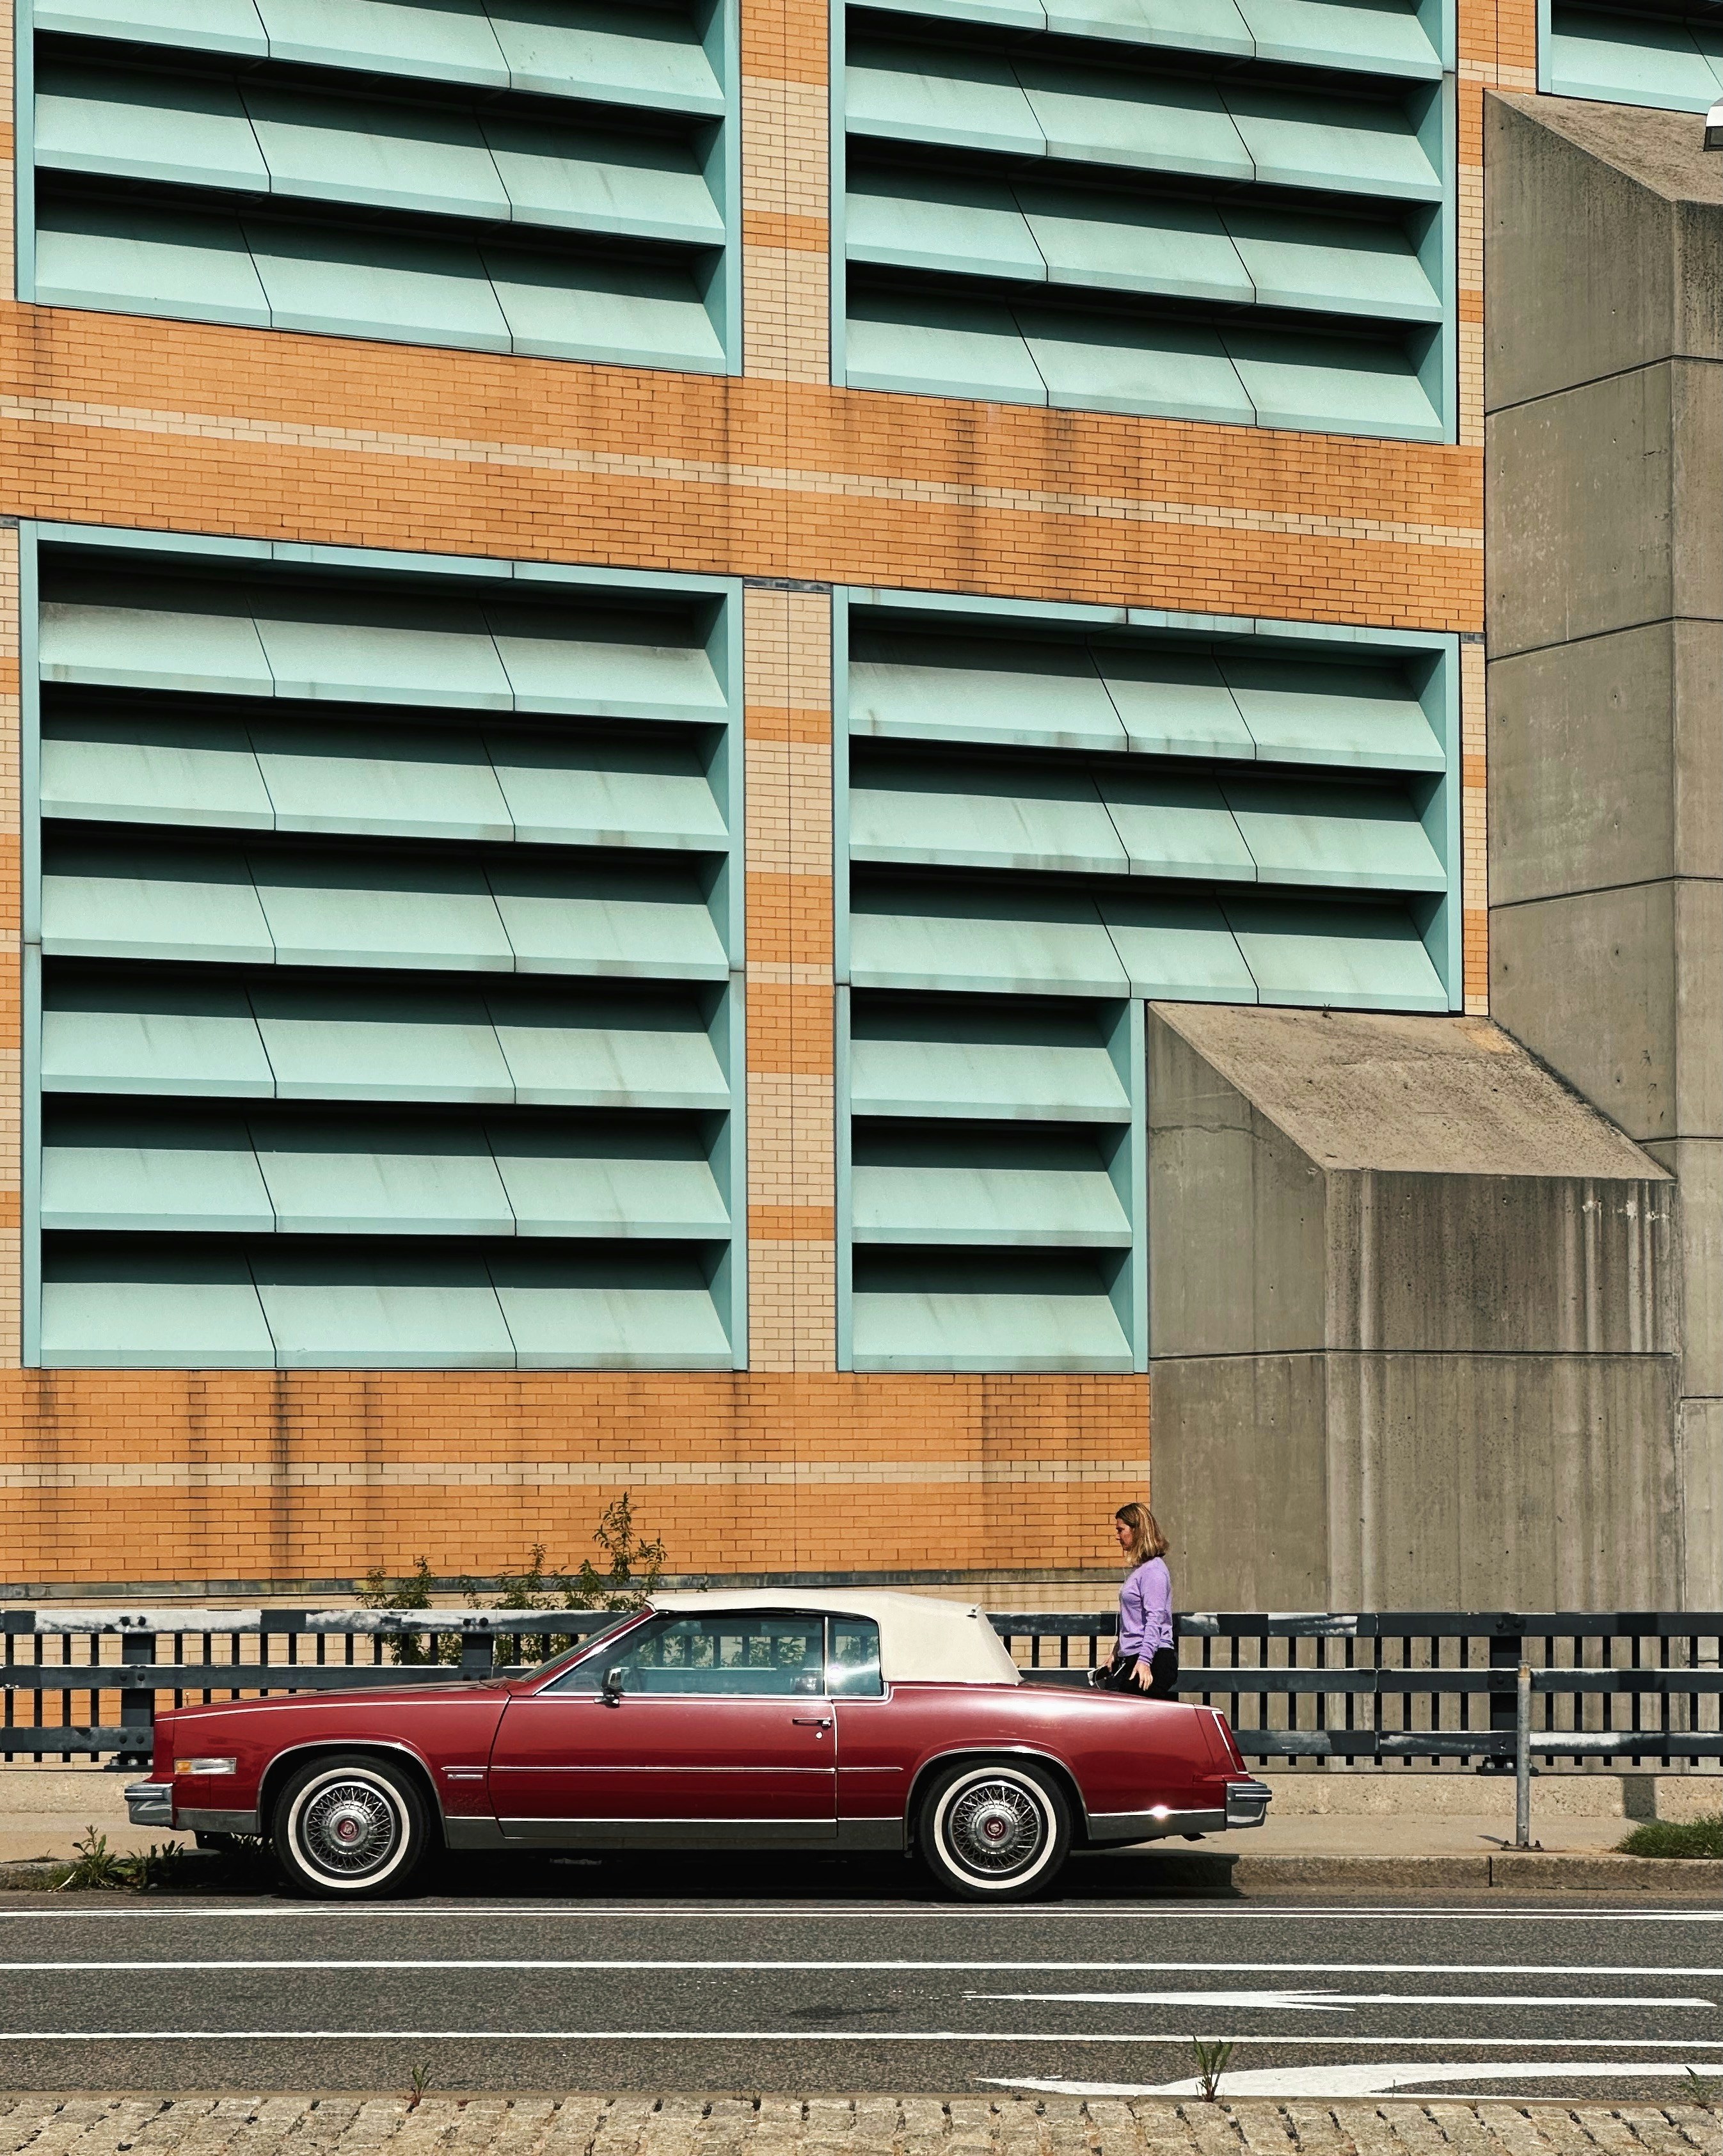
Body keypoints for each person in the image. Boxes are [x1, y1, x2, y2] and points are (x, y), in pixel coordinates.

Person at [1097, 1502, 1177, 1698]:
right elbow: (1134, 1620)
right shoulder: (1141, 1570)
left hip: (1151, 1659)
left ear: (1137, 1530)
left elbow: (1155, 1619)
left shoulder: (1154, 1571)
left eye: (1121, 1530)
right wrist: (1117, 1651)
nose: (1117, 1536)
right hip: (1134, 1656)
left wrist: (1145, 1661)